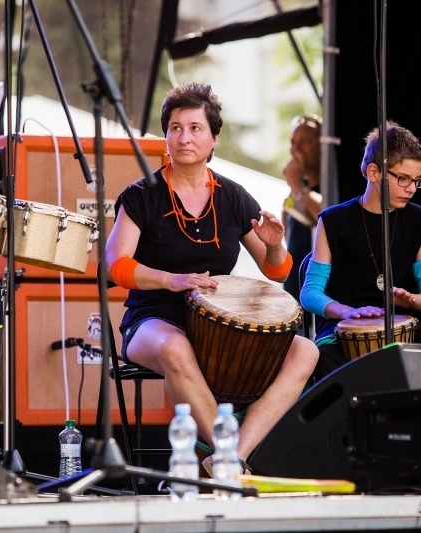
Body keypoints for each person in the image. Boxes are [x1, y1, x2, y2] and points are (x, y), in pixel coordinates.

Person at [104, 83, 318, 475]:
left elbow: (277, 271)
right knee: (176, 348)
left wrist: (274, 247)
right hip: (154, 320)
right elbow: (114, 266)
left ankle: (230, 458)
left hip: (221, 329)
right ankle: (228, 459)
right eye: (175, 127)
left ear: (214, 138)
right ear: (165, 136)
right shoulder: (141, 196)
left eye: (195, 127)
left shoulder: (234, 197)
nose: (184, 137)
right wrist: (171, 280)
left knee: (306, 351)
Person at [300, 121, 421, 381]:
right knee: (326, 359)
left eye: (418, 180)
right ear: (374, 172)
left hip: (403, 324)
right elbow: (310, 294)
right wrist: (346, 312)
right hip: (340, 327)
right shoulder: (333, 221)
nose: (411, 189)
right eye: (403, 178)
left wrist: (412, 300)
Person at [281, 115, 322, 312]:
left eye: (305, 141)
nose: (296, 149)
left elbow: (326, 216)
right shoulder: (299, 189)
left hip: (319, 302)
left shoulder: (329, 188)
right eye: (293, 142)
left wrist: (297, 186)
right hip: (293, 297)